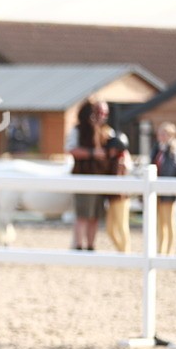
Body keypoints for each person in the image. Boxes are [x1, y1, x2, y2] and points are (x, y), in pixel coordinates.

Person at [67, 99, 113, 250]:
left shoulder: (106, 131)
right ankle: (79, 245)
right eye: (98, 112)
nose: (102, 116)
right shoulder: (78, 131)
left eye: (104, 113)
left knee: (95, 215)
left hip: (101, 177)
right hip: (83, 175)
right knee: (83, 214)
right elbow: (71, 149)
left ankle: (91, 245)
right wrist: (93, 153)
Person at [150, 122, 176, 255]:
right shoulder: (158, 149)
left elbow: (170, 170)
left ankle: (169, 250)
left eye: (163, 134)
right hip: (158, 191)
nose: (160, 136)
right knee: (160, 222)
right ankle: (161, 249)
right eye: (159, 133)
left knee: (169, 221)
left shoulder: (173, 150)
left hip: (168, 192)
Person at [103, 133, 134, 253]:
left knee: (122, 226)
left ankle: (126, 252)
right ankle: (122, 251)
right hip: (112, 198)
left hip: (121, 199)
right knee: (110, 229)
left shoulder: (122, 160)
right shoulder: (112, 160)